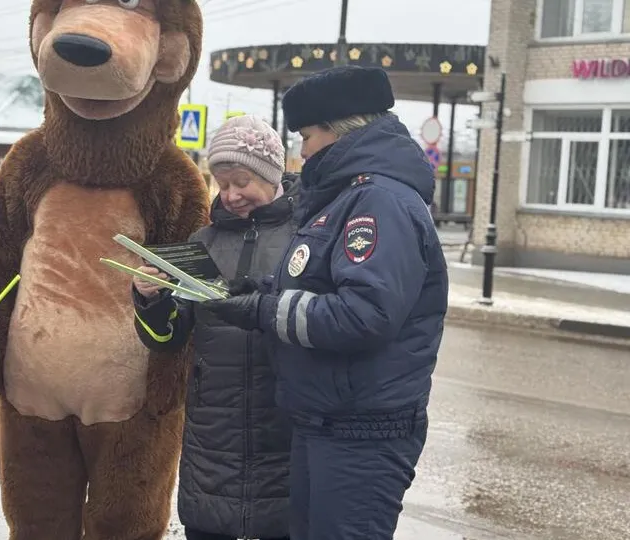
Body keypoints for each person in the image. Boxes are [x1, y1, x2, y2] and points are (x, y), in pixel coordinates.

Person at [197, 65, 449, 539]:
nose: (303, 150)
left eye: (307, 136)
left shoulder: (379, 201)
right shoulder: (345, 197)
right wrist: (265, 292)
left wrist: (264, 311)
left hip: (361, 434)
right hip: (326, 423)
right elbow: (317, 281)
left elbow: (363, 315)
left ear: (339, 130)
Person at [132, 115, 295, 540]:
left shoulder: (307, 236)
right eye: (222, 184)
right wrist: (151, 300)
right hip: (212, 436)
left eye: (242, 181)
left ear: (271, 173)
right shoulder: (202, 242)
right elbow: (168, 339)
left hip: (281, 427)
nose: (232, 195)